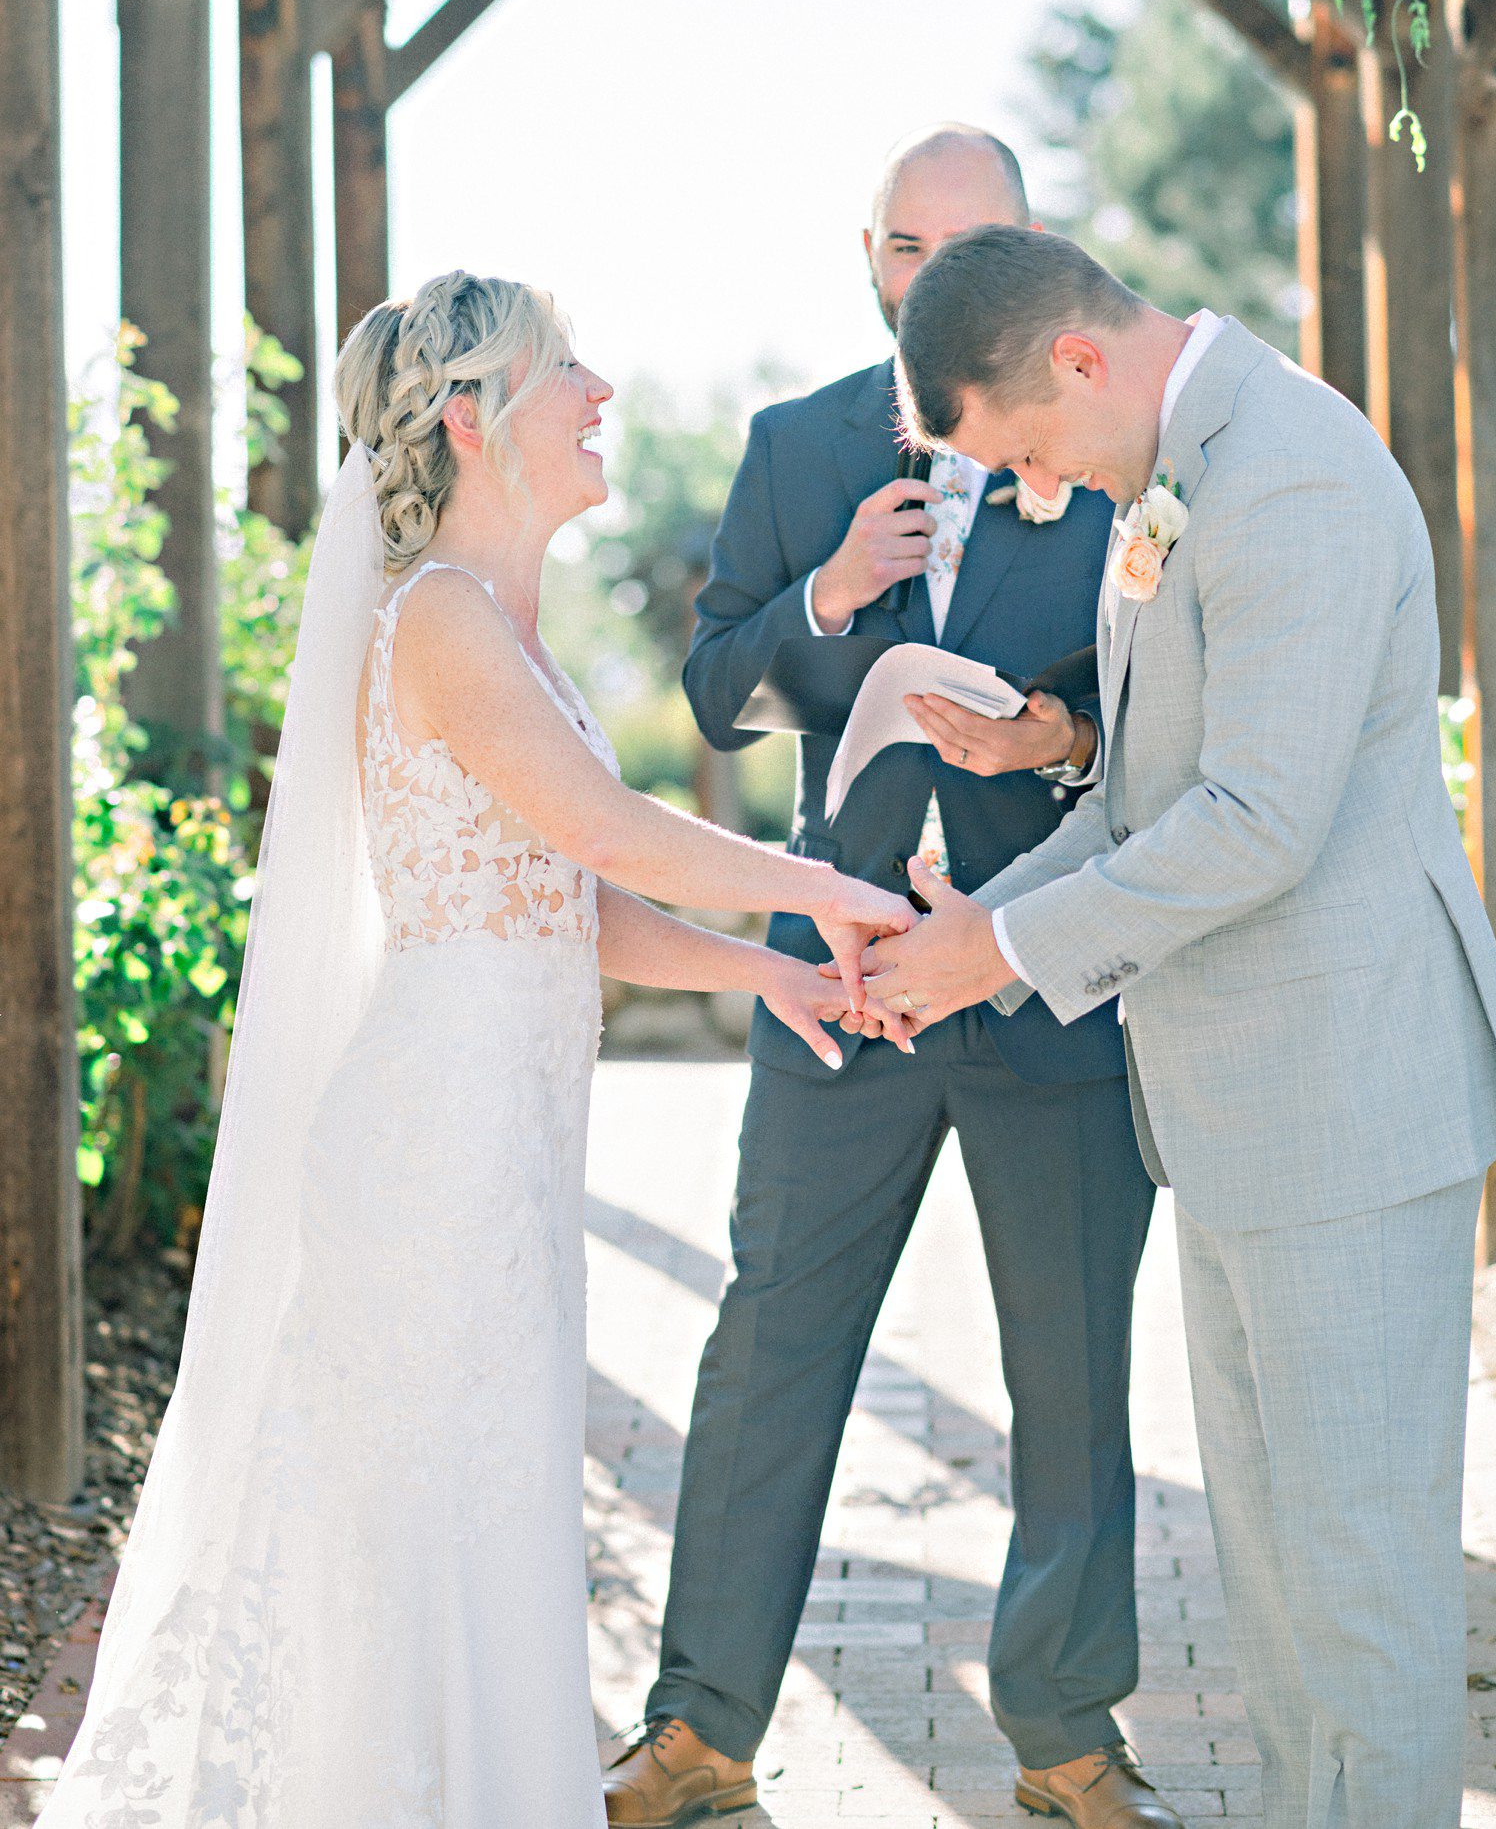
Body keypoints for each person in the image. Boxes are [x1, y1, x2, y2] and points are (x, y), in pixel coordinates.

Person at [35, 271, 915, 1829]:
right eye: (562, 366)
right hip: (434, 1137)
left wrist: (771, 973)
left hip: (497, 1135)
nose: (601, 390)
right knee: (428, 1509)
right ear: (471, 417)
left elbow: (560, 900)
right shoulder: (437, 617)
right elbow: (604, 827)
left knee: (486, 1499)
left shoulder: (501, 623)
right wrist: (825, 887)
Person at [863, 222, 1496, 1829]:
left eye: (1030, 449)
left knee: (1361, 1579)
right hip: (1236, 1115)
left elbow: (1254, 823)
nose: (1051, 488)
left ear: (1079, 359)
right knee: (1276, 1576)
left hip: (1347, 1103)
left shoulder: (1284, 468)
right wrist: (977, 947)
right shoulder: (1179, 466)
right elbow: (1148, 796)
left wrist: (999, 943)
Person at [604, 130, 1181, 1829]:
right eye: (908, 244)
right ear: (868, 254)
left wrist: (1056, 736)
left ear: (1037, 255)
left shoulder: (1109, 450)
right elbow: (716, 687)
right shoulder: (793, 446)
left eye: (974, 242)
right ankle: (700, 1727)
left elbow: (1152, 715)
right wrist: (826, 593)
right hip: (833, 992)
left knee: (1071, 1365)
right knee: (771, 1342)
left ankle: (1069, 1738)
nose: (935, 274)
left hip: (1036, 975)